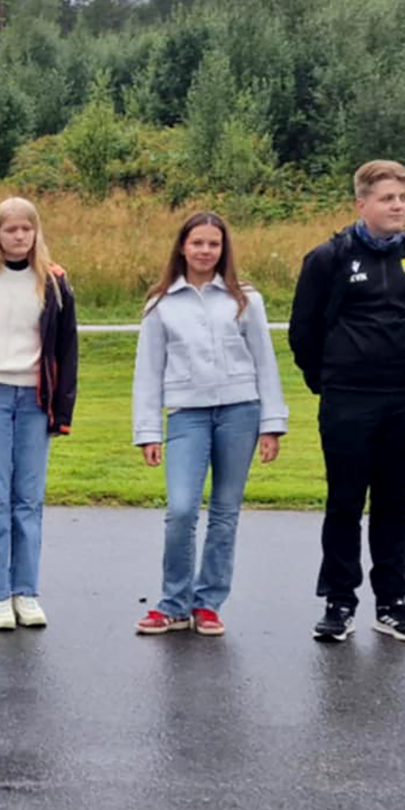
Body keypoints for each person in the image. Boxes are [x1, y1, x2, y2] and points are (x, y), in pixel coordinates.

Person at [289, 160, 405, 644]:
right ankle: (339, 601)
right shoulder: (329, 258)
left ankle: (392, 602)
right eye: (387, 199)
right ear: (361, 204)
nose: (397, 206)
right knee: (345, 501)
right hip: (347, 399)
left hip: (403, 396)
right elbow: (304, 332)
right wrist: (330, 381)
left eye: (402, 198)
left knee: (394, 501)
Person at [131, 212, 287, 637]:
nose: (204, 251)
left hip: (240, 412)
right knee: (181, 509)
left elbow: (265, 363)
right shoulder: (161, 303)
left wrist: (272, 424)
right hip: (187, 414)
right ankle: (173, 603)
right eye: (197, 243)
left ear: (223, 249)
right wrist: (147, 431)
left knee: (224, 512)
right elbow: (148, 372)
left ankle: (208, 603)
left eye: (213, 244)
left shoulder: (245, 300)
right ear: (182, 247)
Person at [0, 196, 79, 631]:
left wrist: (62, 411)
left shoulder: (56, 282)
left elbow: (67, 351)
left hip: (35, 401)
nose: (19, 236)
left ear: (36, 232)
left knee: (29, 500)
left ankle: (26, 591)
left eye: (26, 229)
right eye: (10, 229)